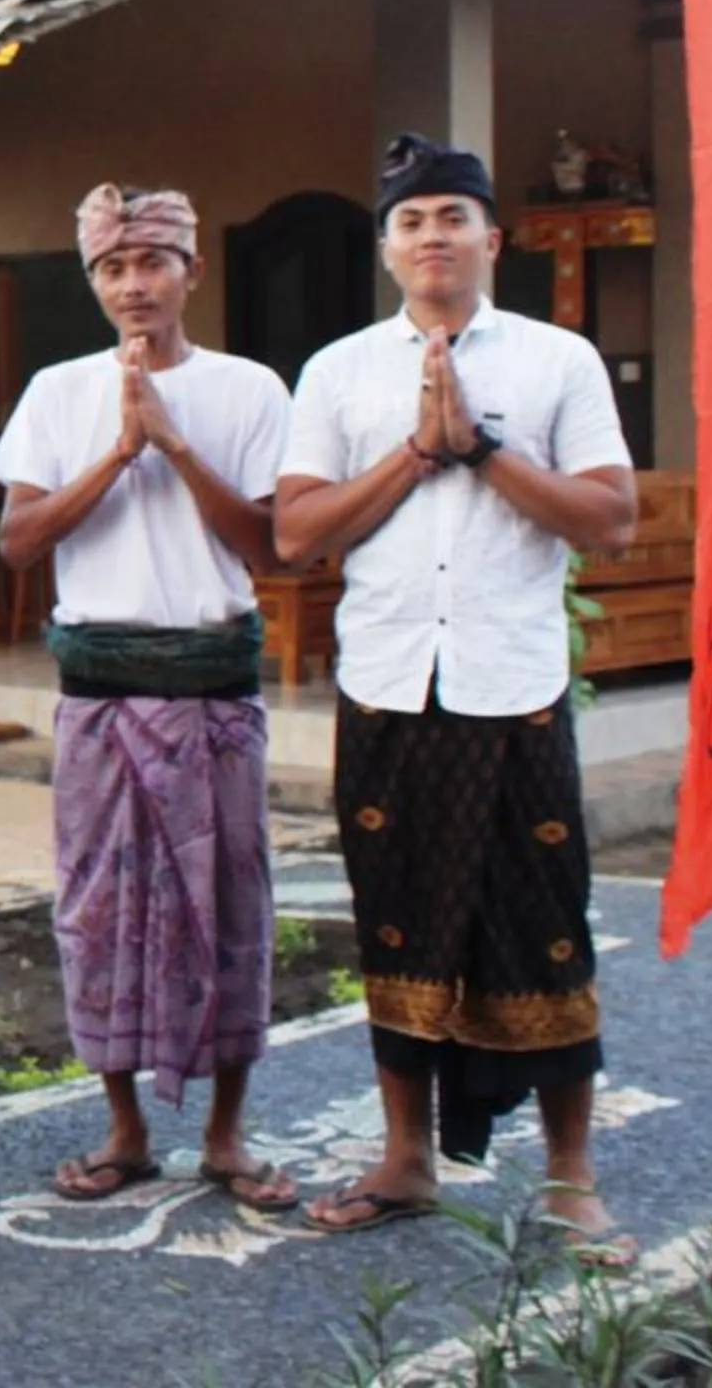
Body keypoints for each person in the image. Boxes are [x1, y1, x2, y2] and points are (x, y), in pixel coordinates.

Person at [275, 133, 638, 1263]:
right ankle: (405, 1154)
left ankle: (572, 1176)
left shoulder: (556, 360)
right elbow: (295, 532)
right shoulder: (337, 371)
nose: (434, 235)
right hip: (388, 681)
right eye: (413, 219)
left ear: (496, 236)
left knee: (544, 922)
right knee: (396, 918)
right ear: (388, 246)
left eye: (453, 216)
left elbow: (608, 518)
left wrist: (479, 445)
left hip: (514, 681)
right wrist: (416, 456)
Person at [0, 184, 298, 1214]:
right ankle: (124, 1127)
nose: (133, 284)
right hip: (102, 693)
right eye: (113, 268)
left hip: (210, 687)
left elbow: (269, 547)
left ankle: (225, 1131)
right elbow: (19, 542)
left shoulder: (250, 389)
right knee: (99, 911)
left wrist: (172, 440)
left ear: (191, 274)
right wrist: (118, 451)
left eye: (153, 263)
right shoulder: (58, 392)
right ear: (95, 281)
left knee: (233, 907)